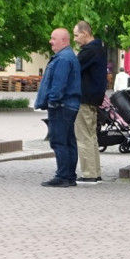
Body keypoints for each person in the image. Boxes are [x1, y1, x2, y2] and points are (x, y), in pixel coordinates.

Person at [33, 28, 82, 187]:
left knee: (59, 141)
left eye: (53, 38)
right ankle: (69, 177)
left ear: (64, 40)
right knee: (68, 141)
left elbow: (58, 84)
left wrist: (52, 102)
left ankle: (62, 176)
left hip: (61, 106)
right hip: (70, 106)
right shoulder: (69, 56)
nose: (50, 41)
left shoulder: (62, 58)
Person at [72, 21, 107, 184]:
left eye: (76, 35)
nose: (76, 39)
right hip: (94, 99)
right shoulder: (99, 48)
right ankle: (95, 172)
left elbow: (73, 68)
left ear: (85, 33)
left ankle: (89, 174)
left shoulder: (89, 51)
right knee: (91, 136)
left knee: (84, 136)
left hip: (84, 98)